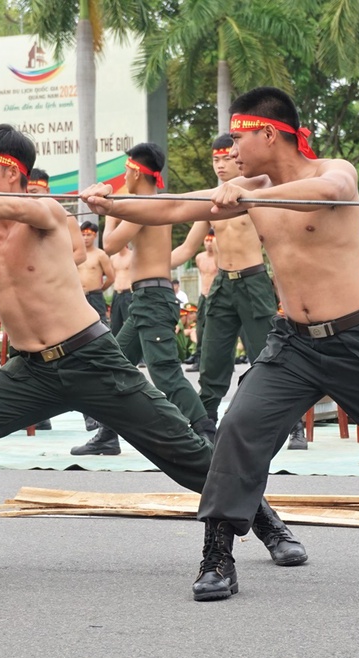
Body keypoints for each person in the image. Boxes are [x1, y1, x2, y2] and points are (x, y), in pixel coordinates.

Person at [80, 86, 359, 600]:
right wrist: (115, 204)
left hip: (358, 339)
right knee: (238, 430)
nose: (231, 153)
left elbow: (328, 193)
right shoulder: (246, 186)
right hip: (293, 345)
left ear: (269, 133)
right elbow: (173, 208)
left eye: (239, 139)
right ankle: (217, 555)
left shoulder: (334, 171)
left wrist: (249, 196)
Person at [0, 124, 307, 580]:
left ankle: (268, 524)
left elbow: (5, 207)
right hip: (30, 371)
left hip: (91, 359)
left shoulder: (46, 211)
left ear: (12, 173)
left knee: (185, 450)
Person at [70, 143, 218, 457]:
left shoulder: (143, 205)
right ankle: (108, 436)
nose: (123, 176)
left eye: (126, 170)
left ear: (135, 171)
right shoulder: (147, 204)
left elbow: (108, 244)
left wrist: (108, 209)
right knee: (114, 367)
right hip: (144, 301)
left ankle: (207, 433)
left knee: (165, 372)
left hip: (152, 299)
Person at [168, 134, 306, 449]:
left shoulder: (258, 194)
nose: (219, 165)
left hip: (254, 281)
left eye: (225, 159)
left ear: (237, 157)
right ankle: (206, 425)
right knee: (212, 360)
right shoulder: (212, 202)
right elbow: (187, 248)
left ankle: (294, 426)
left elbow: (282, 242)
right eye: (215, 160)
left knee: (270, 357)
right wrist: (150, 267)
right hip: (221, 285)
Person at [180, 228, 217, 371]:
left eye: (211, 239)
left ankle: (224, 362)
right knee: (200, 329)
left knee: (217, 330)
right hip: (203, 295)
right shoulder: (199, 257)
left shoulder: (219, 256)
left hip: (216, 295)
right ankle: (199, 360)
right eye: (206, 239)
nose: (208, 243)